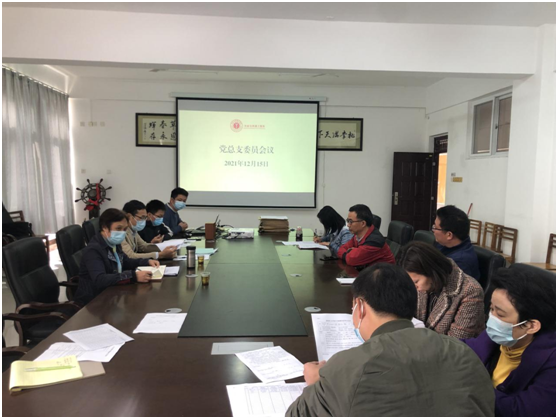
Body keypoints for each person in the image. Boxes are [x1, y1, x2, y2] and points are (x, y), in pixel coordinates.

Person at [286, 263, 494, 417]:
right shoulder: (464, 353)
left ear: (360, 307)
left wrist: (315, 384)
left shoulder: (348, 366)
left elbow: (296, 414)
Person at [464, 266, 556, 417]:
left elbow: (521, 411)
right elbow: (465, 350)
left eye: (500, 314)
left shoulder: (552, 363)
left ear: (531, 326)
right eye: (491, 308)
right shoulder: (499, 334)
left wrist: (465, 387)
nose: (492, 318)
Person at [396, 241, 485, 339]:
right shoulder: (424, 283)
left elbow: (456, 342)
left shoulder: (470, 291)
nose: (413, 287)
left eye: (416, 282)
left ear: (431, 271)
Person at [74, 208, 158, 306]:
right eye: (118, 229)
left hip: (112, 295)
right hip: (93, 302)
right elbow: (100, 279)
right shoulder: (93, 250)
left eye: (125, 229)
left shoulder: (113, 243)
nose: (122, 233)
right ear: (105, 228)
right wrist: (133, 276)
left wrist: (146, 262)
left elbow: (125, 261)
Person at [337, 204, 394, 269]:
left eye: (351, 221)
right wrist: (351, 252)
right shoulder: (357, 235)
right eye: (348, 221)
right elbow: (341, 249)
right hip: (368, 271)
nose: (348, 225)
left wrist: (351, 252)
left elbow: (352, 260)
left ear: (363, 223)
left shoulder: (374, 241)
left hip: (383, 274)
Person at [432, 205, 480, 280]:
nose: (433, 230)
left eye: (435, 227)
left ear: (449, 235)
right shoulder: (443, 243)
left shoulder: (460, 263)